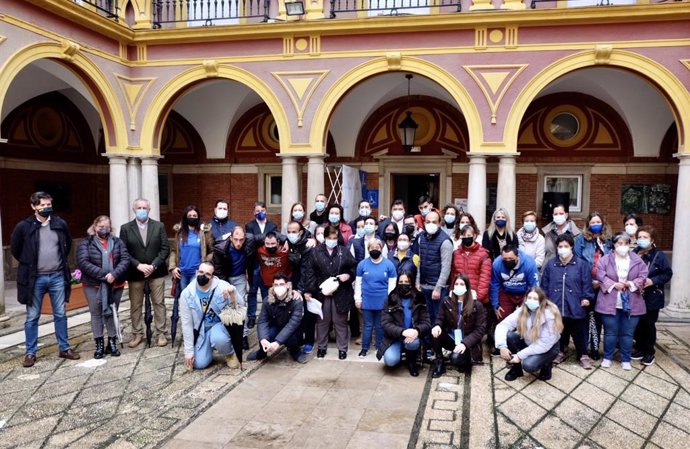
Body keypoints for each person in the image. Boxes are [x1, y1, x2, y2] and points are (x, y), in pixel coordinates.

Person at [11, 191, 80, 367]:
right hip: (35, 278)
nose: (46, 208)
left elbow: (67, 246)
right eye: (42, 205)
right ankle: (30, 352)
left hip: (57, 275)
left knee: (61, 313)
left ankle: (64, 348)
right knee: (32, 316)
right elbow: (16, 250)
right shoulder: (24, 227)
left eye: (48, 205)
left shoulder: (60, 223)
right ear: (33, 206)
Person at [118, 198, 171, 348]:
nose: (142, 210)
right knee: (135, 305)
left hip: (156, 272)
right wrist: (138, 265)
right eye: (139, 207)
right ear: (134, 209)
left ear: (149, 209)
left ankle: (161, 333)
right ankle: (137, 334)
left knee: (159, 303)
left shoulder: (159, 226)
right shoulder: (126, 228)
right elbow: (124, 251)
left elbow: (165, 248)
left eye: (145, 207)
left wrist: (153, 265)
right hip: (135, 273)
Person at [76, 215, 130, 358]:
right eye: (101, 227)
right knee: (96, 313)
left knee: (112, 312)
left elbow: (125, 259)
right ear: (95, 228)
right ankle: (99, 344)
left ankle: (111, 342)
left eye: (106, 227)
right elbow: (83, 262)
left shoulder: (118, 242)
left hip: (115, 283)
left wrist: (114, 274)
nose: (103, 230)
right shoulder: (86, 243)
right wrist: (104, 275)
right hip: (93, 284)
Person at [540, 234, 595, 370]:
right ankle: (560, 351)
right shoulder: (551, 264)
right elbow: (544, 284)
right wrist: (545, 300)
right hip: (556, 304)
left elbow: (587, 284)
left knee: (578, 332)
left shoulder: (581, 264)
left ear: (571, 247)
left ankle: (583, 355)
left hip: (576, 304)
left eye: (566, 246)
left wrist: (586, 298)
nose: (563, 249)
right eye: (560, 246)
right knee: (560, 331)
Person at [302, 225, 356, 360]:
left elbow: (353, 268)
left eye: (334, 238)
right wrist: (310, 290)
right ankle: (321, 347)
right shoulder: (315, 252)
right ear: (324, 238)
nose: (332, 240)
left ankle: (342, 349)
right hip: (321, 291)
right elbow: (310, 273)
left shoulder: (344, 251)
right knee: (322, 320)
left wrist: (347, 276)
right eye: (329, 238)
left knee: (340, 321)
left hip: (341, 290)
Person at [595, 232, 648, 370]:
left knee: (627, 333)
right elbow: (600, 275)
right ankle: (607, 357)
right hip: (609, 300)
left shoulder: (637, 260)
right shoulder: (605, 260)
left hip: (632, 301)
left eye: (625, 244)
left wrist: (630, 284)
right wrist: (614, 284)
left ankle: (626, 358)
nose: (622, 246)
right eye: (619, 243)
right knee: (610, 332)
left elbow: (643, 276)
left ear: (629, 245)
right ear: (614, 244)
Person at [180, 262, 240, 370]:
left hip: (220, 326)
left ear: (212, 277)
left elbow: (239, 309)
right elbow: (186, 324)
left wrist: (232, 295)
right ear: (196, 272)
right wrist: (189, 351)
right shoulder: (187, 294)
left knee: (218, 338)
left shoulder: (223, 286)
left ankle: (229, 353)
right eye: (201, 272)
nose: (203, 275)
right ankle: (208, 349)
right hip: (202, 331)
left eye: (207, 274)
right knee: (199, 364)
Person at [495, 287, 563, 381]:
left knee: (529, 365)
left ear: (541, 301)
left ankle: (547, 364)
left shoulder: (549, 314)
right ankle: (516, 369)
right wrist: (502, 346)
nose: (531, 301)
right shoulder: (523, 310)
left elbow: (544, 344)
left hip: (549, 347)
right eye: (529, 298)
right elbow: (503, 325)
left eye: (535, 299)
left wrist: (519, 356)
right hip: (530, 341)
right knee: (509, 336)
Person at [431, 274, 487, 377]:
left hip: (467, 342)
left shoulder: (477, 305)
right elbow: (440, 318)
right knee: (435, 332)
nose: (458, 286)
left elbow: (480, 330)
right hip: (452, 338)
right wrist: (437, 325)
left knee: (455, 359)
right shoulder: (446, 301)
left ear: (467, 286)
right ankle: (439, 362)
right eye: (456, 284)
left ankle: (466, 361)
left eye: (462, 284)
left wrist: (465, 343)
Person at [574, 211, 613, 360]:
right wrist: (589, 283)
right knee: (585, 316)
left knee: (598, 317)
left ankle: (595, 347)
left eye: (598, 222)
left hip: (604, 285)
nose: (595, 225)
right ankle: (583, 348)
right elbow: (577, 261)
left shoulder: (608, 240)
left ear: (603, 223)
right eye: (593, 222)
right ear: (588, 224)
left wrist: (603, 281)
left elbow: (613, 262)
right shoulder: (581, 240)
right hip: (586, 283)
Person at [489, 244, 540, 358]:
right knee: (501, 316)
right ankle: (500, 344)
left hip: (524, 293)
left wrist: (533, 303)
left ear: (517, 256)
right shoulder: (497, 263)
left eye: (510, 259)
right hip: (506, 292)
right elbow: (494, 284)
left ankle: (526, 343)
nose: (507, 261)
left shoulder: (529, 263)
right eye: (505, 259)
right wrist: (495, 304)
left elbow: (534, 286)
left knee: (527, 317)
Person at [632, 226, 672, 366]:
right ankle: (639, 348)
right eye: (640, 237)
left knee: (648, 324)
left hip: (652, 296)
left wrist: (653, 281)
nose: (642, 240)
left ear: (652, 239)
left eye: (645, 237)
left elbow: (667, 274)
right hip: (636, 295)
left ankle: (649, 352)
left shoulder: (658, 255)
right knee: (638, 323)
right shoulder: (634, 253)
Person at [377, 272, 431, 377]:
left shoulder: (419, 298)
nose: (403, 284)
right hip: (395, 338)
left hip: (412, 337)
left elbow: (427, 323)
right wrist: (402, 332)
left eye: (407, 282)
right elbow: (385, 323)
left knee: (413, 343)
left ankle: (411, 361)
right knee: (390, 361)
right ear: (397, 283)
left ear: (411, 283)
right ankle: (401, 353)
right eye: (401, 282)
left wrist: (417, 331)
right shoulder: (390, 299)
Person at [416, 210, 453, 356]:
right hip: (424, 286)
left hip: (438, 289)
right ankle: (429, 348)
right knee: (427, 319)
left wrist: (438, 288)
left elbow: (446, 268)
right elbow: (420, 261)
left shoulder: (445, 241)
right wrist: (418, 280)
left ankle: (440, 351)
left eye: (434, 222)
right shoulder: (422, 237)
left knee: (438, 320)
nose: (431, 224)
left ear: (439, 223)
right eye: (428, 222)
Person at [247, 273, 307, 364]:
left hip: (292, 330)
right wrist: (263, 339)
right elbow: (262, 321)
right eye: (276, 284)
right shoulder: (267, 301)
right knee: (266, 334)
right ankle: (262, 352)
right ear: (273, 286)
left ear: (287, 285)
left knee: (292, 338)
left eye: (282, 284)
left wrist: (277, 342)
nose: (279, 287)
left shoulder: (296, 301)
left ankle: (296, 352)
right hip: (276, 326)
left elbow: (293, 324)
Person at [354, 239, 398, 357]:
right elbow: (358, 283)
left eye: (377, 248)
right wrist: (357, 299)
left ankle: (379, 347)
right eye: (372, 248)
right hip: (367, 300)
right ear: (368, 250)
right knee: (367, 325)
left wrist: (390, 300)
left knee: (380, 325)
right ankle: (364, 348)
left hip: (383, 301)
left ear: (381, 249)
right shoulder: (362, 264)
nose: (375, 250)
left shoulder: (389, 265)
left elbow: (392, 285)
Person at [245, 201, 278, 329]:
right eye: (257, 211)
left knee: (266, 292)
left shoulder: (272, 225)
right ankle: (252, 317)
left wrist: (258, 238)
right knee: (252, 292)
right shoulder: (249, 226)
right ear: (254, 212)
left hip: (268, 264)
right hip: (254, 264)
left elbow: (274, 242)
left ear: (266, 211)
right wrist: (266, 238)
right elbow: (250, 241)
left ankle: (267, 316)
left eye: (262, 210)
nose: (260, 213)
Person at [285, 221, 316, 353]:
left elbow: (307, 270)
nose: (291, 234)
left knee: (308, 313)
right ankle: (297, 339)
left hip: (307, 282)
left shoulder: (308, 246)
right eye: (289, 232)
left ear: (301, 232)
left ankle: (309, 340)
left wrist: (301, 289)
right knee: (294, 313)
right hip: (292, 281)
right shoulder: (289, 242)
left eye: (294, 232)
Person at [169, 205, 214, 291]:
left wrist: (204, 262)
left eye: (194, 216)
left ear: (198, 217)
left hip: (197, 272)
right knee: (184, 298)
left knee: (194, 297)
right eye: (189, 216)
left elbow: (211, 251)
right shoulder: (179, 233)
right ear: (185, 217)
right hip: (182, 272)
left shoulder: (204, 233)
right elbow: (174, 251)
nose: (192, 218)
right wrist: (173, 267)